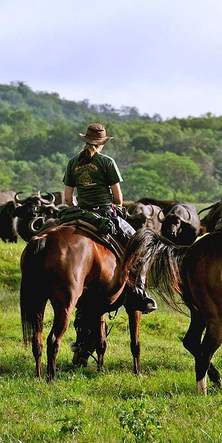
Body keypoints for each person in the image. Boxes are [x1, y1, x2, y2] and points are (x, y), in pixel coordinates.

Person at [63, 123, 156, 314]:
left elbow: (67, 198)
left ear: (85, 140)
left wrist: (79, 209)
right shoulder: (106, 161)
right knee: (139, 246)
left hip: (80, 213)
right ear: (102, 143)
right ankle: (139, 291)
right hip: (104, 214)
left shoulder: (73, 162)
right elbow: (118, 198)